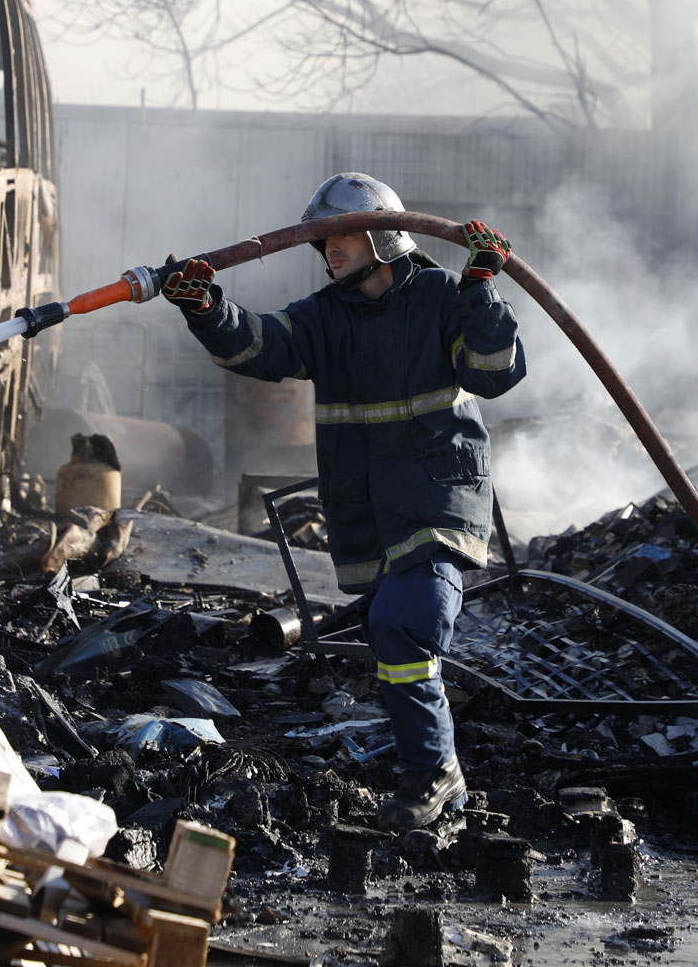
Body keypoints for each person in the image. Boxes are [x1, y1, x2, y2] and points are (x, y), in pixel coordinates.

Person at [161, 173, 526, 831]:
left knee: (405, 621)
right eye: (323, 240)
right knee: (393, 634)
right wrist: (206, 309)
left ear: (383, 238)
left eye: (342, 236)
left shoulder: (441, 295)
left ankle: (431, 774)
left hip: (438, 495)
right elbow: (261, 346)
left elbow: (495, 373)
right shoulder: (323, 316)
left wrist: (480, 290)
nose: (329, 249)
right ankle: (446, 787)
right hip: (370, 506)